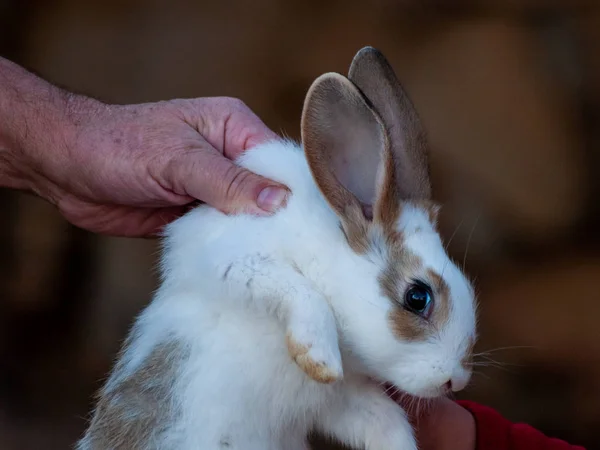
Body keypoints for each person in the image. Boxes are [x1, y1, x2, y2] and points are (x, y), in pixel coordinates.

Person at [0, 56, 585, 450]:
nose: (459, 377)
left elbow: (330, 398)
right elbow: (211, 259)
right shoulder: (274, 209)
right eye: (418, 303)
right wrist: (299, 307)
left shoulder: (346, 319)